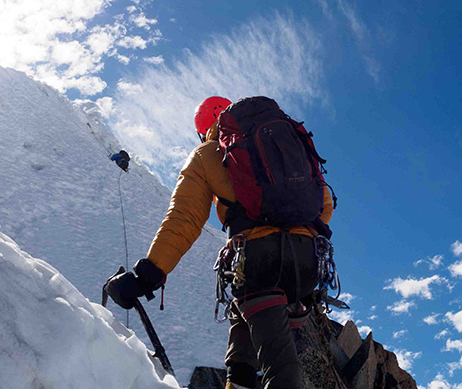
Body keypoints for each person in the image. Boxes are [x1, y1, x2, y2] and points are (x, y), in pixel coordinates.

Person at [105, 96, 334, 389]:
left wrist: (148, 275)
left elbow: (184, 219)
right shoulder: (285, 145)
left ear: (204, 130)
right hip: (308, 261)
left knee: (281, 368)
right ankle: (238, 380)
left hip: (259, 263)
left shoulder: (207, 153)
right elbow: (324, 203)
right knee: (244, 330)